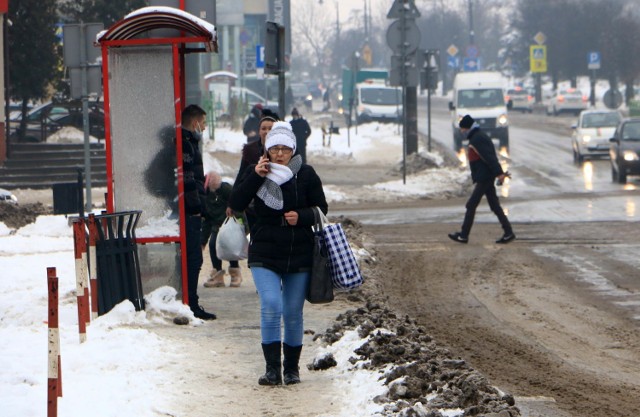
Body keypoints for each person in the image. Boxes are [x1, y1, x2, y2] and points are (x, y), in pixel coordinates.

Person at [229, 121, 328, 386]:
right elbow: (236, 203)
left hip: (299, 251)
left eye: (285, 149)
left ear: (293, 150)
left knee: (293, 311)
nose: (280, 154)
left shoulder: (306, 174)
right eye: (275, 149)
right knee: (272, 305)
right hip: (265, 250)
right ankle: (272, 369)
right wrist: (255, 176)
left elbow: (322, 209)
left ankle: (292, 369)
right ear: (267, 150)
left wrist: (303, 215)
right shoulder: (257, 171)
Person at [448, 115, 515, 245]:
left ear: (467, 128)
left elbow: (489, 157)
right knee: (495, 206)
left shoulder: (477, 139)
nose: (462, 131)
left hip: (485, 177)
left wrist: (499, 173)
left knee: (471, 205)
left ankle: (464, 235)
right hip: (485, 176)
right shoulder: (477, 136)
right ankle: (508, 232)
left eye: (463, 129)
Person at [180, 104, 217, 320]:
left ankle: (191, 302)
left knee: (194, 258)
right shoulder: (186, 146)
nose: (203, 127)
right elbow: (188, 180)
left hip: (188, 211)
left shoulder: (188, 142)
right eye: (203, 123)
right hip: (189, 212)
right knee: (194, 259)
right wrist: (196, 209)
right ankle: (191, 304)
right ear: (195, 123)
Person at [229, 114, 279, 227]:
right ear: (259, 131)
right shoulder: (250, 150)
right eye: (263, 128)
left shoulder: (285, 151)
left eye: (270, 128)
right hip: (253, 205)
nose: (267, 131)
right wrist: (231, 204)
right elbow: (241, 174)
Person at [201, 171, 243, 288]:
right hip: (216, 226)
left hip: (230, 224)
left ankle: (235, 274)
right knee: (213, 244)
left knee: (231, 246)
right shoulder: (206, 195)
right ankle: (218, 275)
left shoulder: (226, 189)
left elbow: (239, 206)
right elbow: (207, 219)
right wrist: (203, 241)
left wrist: (243, 228)